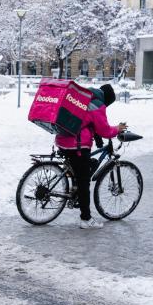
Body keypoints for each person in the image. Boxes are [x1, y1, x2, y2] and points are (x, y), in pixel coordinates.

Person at [55, 83, 126, 229]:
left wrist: (97, 138)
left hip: (63, 140)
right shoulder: (98, 105)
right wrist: (117, 129)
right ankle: (86, 219)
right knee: (84, 181)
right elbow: (105, 130)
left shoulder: (86, 98)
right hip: (77, 145)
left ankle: (75, 191)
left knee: (80, 170)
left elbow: (87, 121)